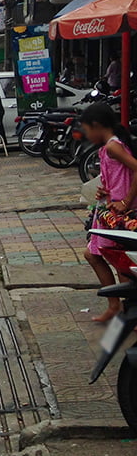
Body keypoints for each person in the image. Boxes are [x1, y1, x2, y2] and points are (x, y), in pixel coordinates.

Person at [81, 103, 137, 321]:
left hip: (119, 214)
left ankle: (126, 311)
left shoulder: (114, 147)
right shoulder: (107, 148)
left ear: (96, 126)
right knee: (94, 254)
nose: (86, 134)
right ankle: (116, 306)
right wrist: (106, 190)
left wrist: (125, 200)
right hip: (108, 210)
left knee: (120, 262)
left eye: (87, 129)